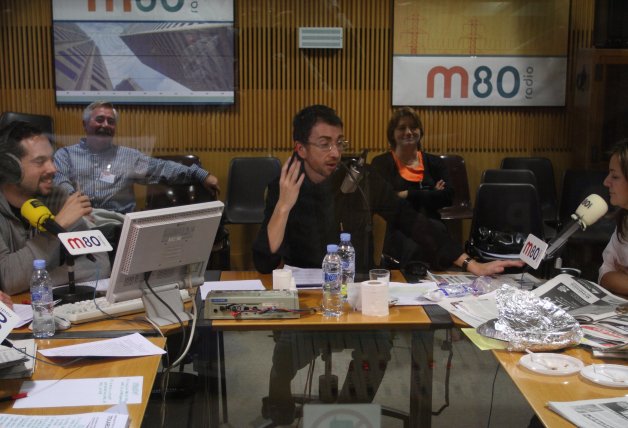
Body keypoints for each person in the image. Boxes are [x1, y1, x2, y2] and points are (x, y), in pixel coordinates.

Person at [252, 104, 523, 424]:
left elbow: (410, 220)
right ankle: (279, 412)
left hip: (356, 297)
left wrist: (468, 262)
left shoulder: (360, 181)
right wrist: (283, 206)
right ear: (300, 148)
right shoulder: (281, 185)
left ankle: (341, 415)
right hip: (307, 301)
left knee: (379, 344)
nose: (335, 152)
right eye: (324, 143)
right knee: (284, 355)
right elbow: (264, 262)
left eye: (340, 142)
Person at [0, 122, 110, 295]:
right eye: (40, 161)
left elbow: (98, 264)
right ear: (10, 167)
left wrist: (41, 282)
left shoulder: (57, 197)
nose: (53, 168)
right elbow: (9, 279)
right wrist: (56, 226)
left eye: (51, 159)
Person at [53, 101, 220, 214]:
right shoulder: (66, 155)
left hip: (118, 226)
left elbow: (163, 168)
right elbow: (60, 182)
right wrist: (80, 208)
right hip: (81, 222)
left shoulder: (128, 157)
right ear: (85, 124)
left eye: (111, 121)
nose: (105, 125)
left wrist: (201, 174)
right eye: (99, 120)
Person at [372, 107, 453, 266]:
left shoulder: (435, 163)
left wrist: (406, 194)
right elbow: (385, 202)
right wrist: (430, 193)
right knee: (410, 245)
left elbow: (448, 197)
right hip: (396, 227)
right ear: (392, 134)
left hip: (431, 225)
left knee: (437, 234)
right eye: (402, 128)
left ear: (420, 131)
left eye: (413, 127)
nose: (408, 132)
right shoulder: (380, 163)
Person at [599, 140, 628, 296]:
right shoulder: (625, 221)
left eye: (615, 176)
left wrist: (621, 279)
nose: (606, 182)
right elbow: (605, 273)